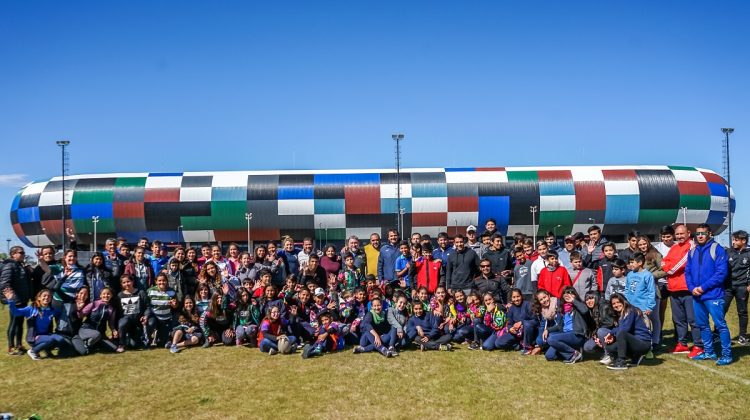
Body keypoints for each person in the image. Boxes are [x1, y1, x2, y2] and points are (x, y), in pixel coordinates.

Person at [686, 224, 732, 365]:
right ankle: (709, 352)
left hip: (713, 295)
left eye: (703, 233)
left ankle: (727, 355)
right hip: (697, 296)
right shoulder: (692, 252)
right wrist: (692, 288)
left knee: (720, 325)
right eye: (698, 233)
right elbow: (687, 272)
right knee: (703, 325)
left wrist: (703, 287)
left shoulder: (717, 249)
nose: (700, 236)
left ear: (710, 234)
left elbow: (721, 273)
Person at [662, 224, 703, 356]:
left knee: (693, 319)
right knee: (678, 319)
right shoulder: (674, 247)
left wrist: (669, 268)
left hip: (687, 288)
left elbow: (677, 265)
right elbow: (664, 262)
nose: (679, 236)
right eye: (677, 234)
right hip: (674, 289)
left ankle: (698, 345)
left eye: (682, 234)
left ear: (688, 233)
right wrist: (668, 266)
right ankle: (682, 344)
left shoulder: (692, 246)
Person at [2, 288, 62, 360]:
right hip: (34, 337)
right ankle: (33, 351)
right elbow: (16, 312)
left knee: (61, 339)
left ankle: (47, 350)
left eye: (49, 296)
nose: (46, 298)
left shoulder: (52, 310)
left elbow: (61, 313)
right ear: (39, 298)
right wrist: (10, 300)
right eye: (44, 296)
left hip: (46, 335)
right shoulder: (31, 309)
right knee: (51, 339)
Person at [605, 293, 653, 370]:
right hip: (635, 342)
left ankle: (622, 362)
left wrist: (611, 333)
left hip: (643, 343)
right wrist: (611, 334)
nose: (616, 305)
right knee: (610, 347)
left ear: (623, 301)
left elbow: (624, 330)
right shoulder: (619, 314)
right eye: (613, 304)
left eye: (618, 302)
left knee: (622, 333)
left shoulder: (630, 310)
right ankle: (636, 356)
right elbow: (620, 328)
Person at [544, 287, 592, 363]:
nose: (568, 295)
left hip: (577, 334)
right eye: (565, 294)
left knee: (552, 339)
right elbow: (560, 326)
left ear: (575, 295)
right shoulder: (563, 310)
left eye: (571, 293)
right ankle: (573, 351)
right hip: (566, 335)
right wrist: (548, 330)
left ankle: (574, 354)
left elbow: (585, 311)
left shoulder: (579, 306)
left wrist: (573, 301)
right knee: (549, 356)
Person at [1, 246, 32, 355]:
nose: (23, 254)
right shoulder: (9, 265)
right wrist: (12, 299)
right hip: (15, 300)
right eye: (21, 252)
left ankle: (19, 345)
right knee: (13, 322)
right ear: (13, 254)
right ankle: (11, 347)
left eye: (23, 252)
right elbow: (5, 283)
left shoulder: (19, 265)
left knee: (19, 323)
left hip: (22, 299)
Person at [623, 253, 656, 354]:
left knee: (645, 328)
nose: (630, 264)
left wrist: (649, 307)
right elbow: (627, 289)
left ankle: (648, 349)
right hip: (630, 308)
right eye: (629, 262)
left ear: (640, 263)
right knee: (631, 327)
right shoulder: (630, 274)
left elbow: (651, 292)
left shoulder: (647, 275)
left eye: (632, 262)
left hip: (642, 308)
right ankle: (633, 349)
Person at [75, 287, 118, 354]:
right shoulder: (94, 304)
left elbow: (111, 323)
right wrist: (79, 308)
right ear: (100, 295)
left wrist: (114, 330)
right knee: (96, 335)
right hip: (86, 329)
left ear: (111, 295)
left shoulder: (111, 309)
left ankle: (94, 343)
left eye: (108, 294)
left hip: (100, 334)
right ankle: (86, 344)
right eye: (104, 294)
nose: (106, 296)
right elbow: (80, 315)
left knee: (114, 348)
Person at [725, 230, 749, 346]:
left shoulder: (749, 253)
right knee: (721, 310)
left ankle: (743, 336)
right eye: (733, 239)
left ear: (743, 241)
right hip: (727, 287)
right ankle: (717, 334)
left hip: (742, 287)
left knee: (742, 312)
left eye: (735, 239)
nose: (733, 242)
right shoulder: (728, 252)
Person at [116, 274, 149, 352]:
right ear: (121, 284)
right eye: (124, 282)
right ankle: (121, 343)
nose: (126, 284)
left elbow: (147, 307)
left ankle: (130, 338)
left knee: (134, 345)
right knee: (123, 322)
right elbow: (118, 312)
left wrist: (145, 316)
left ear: (132, 281)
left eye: (128, 281)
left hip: (137, 323)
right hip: (125, 322)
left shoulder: (140, 293)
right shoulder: (120, 295)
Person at [146, 273, 178, 347]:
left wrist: (174, 305)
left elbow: (176, 306)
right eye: (159, 280)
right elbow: (147, 306)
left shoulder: (172, 291)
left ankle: (158, 337)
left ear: (166, 281)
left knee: (161, 343)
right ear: (156, 281)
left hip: (166, 318)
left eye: (164, 280)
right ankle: (148, 340)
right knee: (150, 323)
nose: (162, 282)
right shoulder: (150, 291)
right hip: (154, 317)